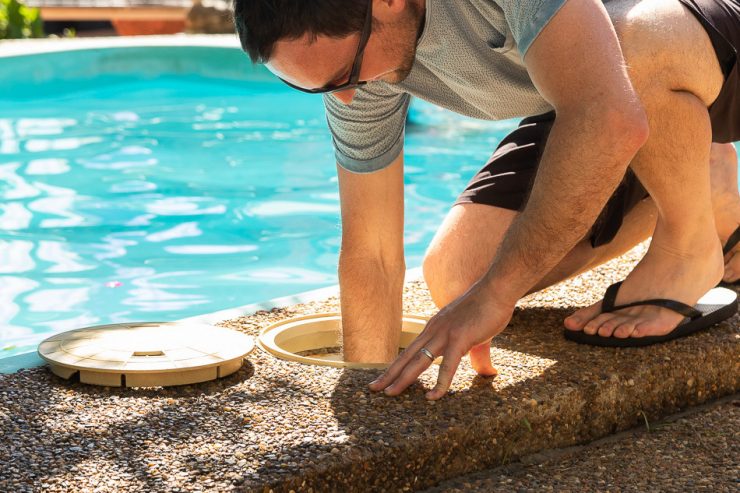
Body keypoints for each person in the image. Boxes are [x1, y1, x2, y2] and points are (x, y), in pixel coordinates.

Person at [232, 0, 740, 400]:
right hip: (590, 95)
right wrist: (373, 384)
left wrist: (497, 294)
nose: (342, 98)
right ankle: (703, 177)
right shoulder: (355, 71)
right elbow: (371, 250)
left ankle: (687, 246)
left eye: (342, 74)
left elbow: (607, 114)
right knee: (459, 277)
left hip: (681, 38)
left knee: (626, 38)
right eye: (311, 86)